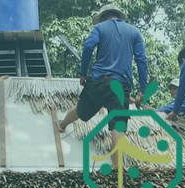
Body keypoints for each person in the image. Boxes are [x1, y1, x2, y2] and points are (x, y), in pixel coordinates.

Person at [55, 4, 149, 169]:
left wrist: (83, 73)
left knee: (81, 109)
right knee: (118, 123)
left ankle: (62, 125)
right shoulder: (134, 32)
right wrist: (143, 90)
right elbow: (142, 60)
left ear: (104, 17)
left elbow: (88, 47)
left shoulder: (99, 28)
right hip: (121, 84)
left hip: (99, 79)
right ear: (118, 16)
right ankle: (116, 165)